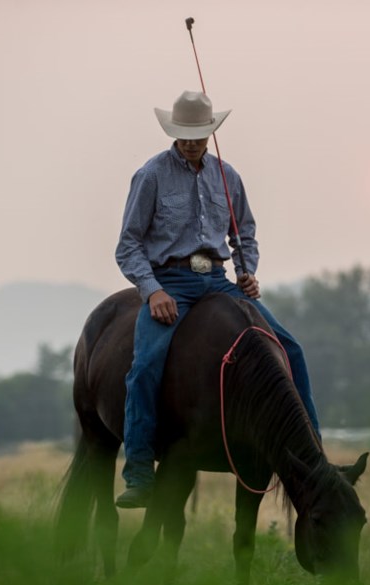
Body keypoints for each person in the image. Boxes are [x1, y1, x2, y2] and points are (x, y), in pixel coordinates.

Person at [114, 90, 321, 508]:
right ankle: (138, 470)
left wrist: (247, 271)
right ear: (173, 133)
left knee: (291, 349)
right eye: (184, 135)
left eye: (198, 135)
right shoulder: (150, 176)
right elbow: (128, 245)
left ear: (210, 133)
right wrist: (152, 291)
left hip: (220, 281)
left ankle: (314, 457)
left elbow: (243, 234)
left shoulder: (228, 177)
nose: (191, 142)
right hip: (170, 283)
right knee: (145, 366)